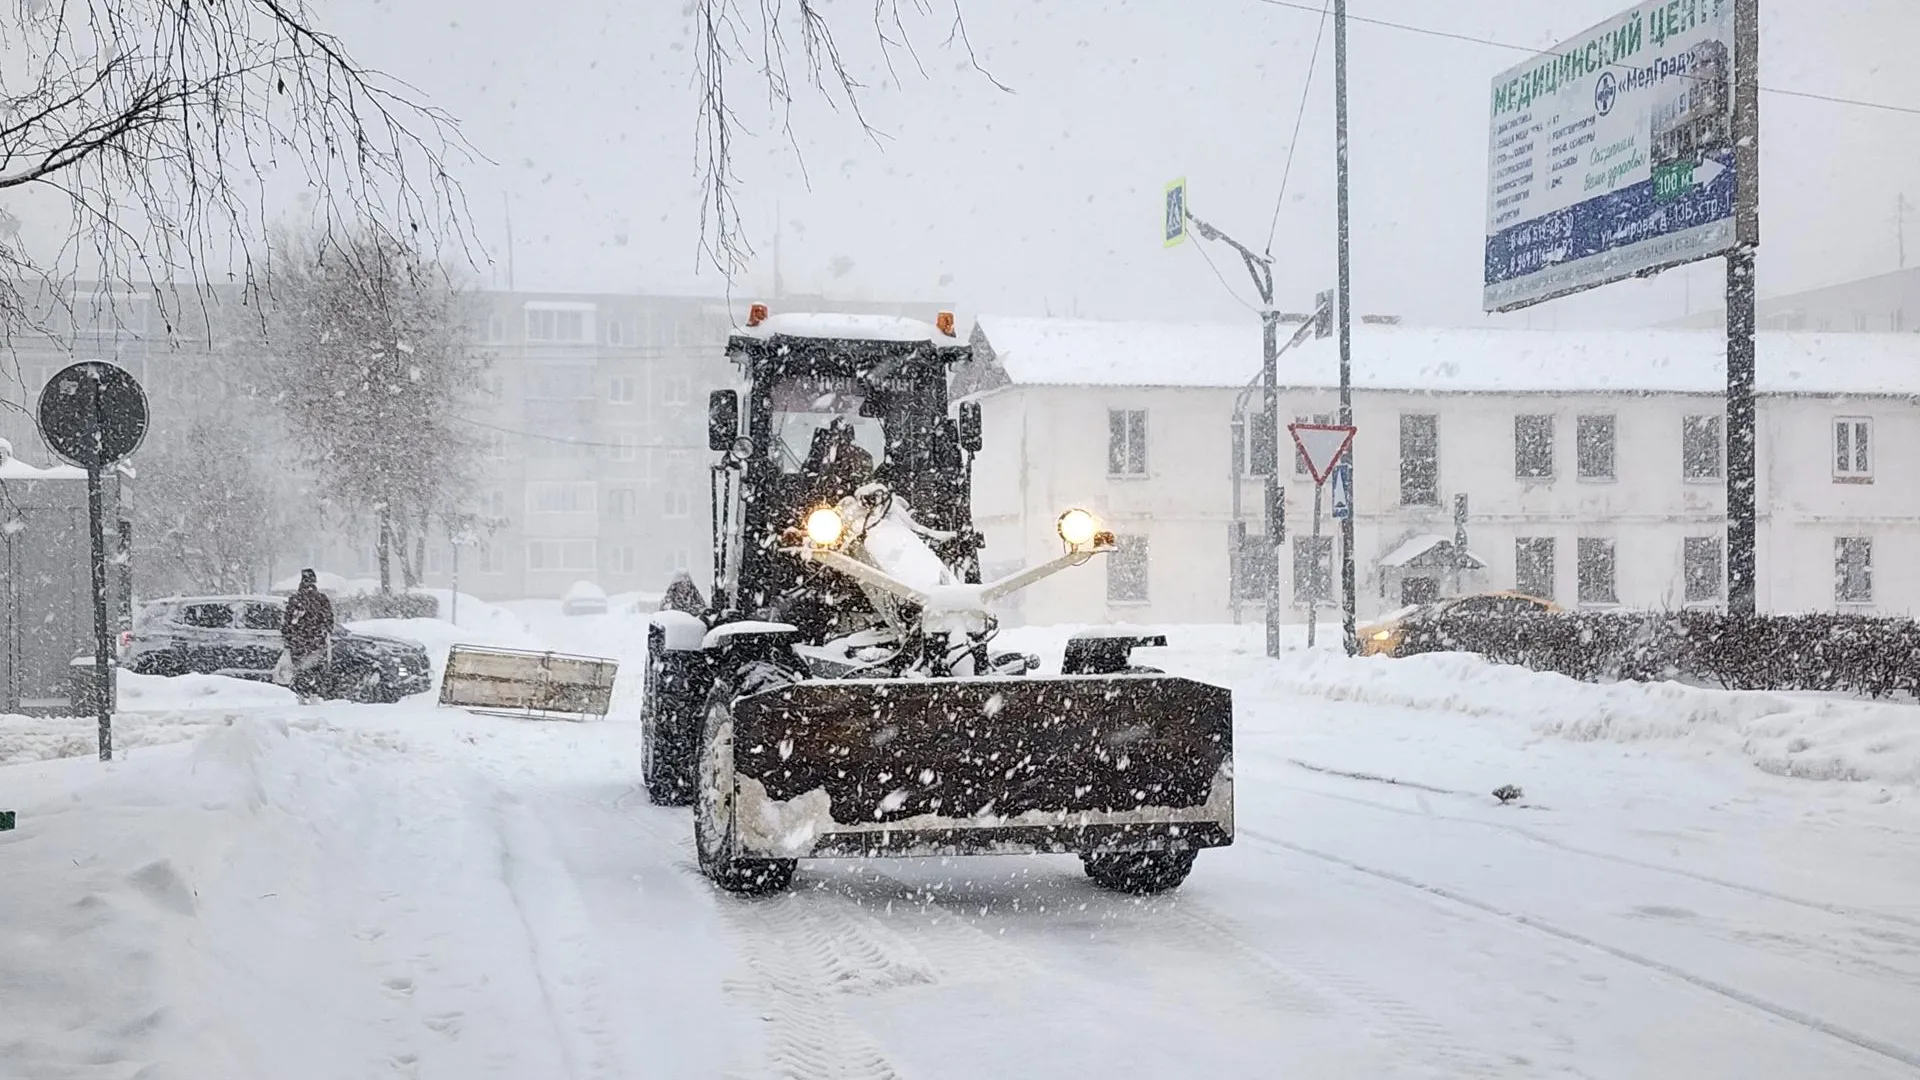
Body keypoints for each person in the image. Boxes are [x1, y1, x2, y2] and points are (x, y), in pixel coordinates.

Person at [282, 569, 336, 701]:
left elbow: (287, 623)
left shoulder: (295, 599)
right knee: (316, 670)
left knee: (299, 670)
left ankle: (301, 695)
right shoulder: (322, 599)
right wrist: (323, 633)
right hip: (316, 643)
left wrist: (289, 639)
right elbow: (329, 621)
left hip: (298, 643)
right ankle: (314, 694)